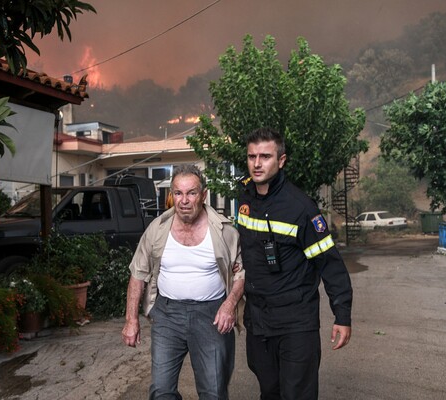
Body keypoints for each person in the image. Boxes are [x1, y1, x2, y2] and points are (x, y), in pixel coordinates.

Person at [237, 127, 353, 400]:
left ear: (281, 160)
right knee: (269, 392)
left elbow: (330, 264)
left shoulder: (302, 208)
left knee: (296, 394)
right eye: (251, 156)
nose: (256, 163)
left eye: (265, 156)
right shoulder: (244, 198)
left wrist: (342, 315)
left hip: (296, 323)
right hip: (258, 319)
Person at [122, 164, 245, 400]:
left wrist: (229, 306)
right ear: (172, 195)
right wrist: (131, 320)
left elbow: (239, 274)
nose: (184, 200)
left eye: (191, 193)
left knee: (214, 392)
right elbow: (137, 274)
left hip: (211, 314)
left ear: (204, 195)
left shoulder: (225, 231)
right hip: (167, 315)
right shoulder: (156, 229)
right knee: (161, 391)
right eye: (178, 193)